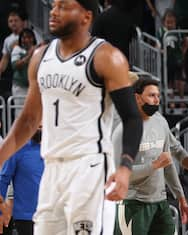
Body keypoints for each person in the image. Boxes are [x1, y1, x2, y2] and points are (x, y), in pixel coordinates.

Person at [0, 0, 144, 234]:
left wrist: (125, 168)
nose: (54, 12)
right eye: (54, 5)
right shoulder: (40, 57)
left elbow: (132, 118)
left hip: (90, 166)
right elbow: (28, 121)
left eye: (64, 6)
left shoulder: (106, 57)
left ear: (86, 17)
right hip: (52, 167)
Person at [113, 77, 188, 235]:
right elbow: (119, 177)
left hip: (160, 203)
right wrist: (153, 166)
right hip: (132, 204)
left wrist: (180, 196)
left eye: (158, 96)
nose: (156, 100)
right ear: (137, 97)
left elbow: (167, 164)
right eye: (151, 96)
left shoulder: (160, 123)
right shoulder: (122, 131)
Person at [0, 127, 43, 235]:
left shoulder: (57, 149)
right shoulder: (17, 148)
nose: (39, 127)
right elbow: (3, 179)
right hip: (26, 217)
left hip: (56, 213)